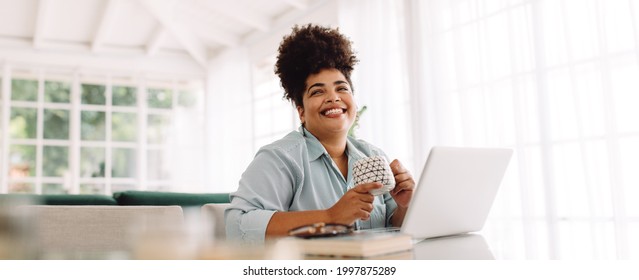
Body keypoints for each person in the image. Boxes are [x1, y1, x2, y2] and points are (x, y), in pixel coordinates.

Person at [225, 24, 415, 243]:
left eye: (341, 88)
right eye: (317, 91)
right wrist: (329, 217)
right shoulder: (280, 158)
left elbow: (393, 226)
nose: (333, 98)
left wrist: (405, 206)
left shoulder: (373, 156)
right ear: (301, 112)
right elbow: (238, 226)